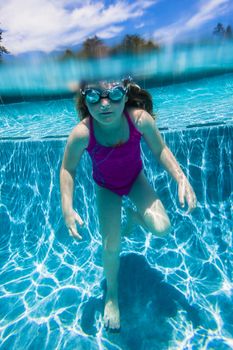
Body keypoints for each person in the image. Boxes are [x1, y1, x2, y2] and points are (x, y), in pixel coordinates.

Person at [60, 77, 197, 331]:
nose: (104, 104)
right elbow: (68, 169)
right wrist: (67, 208)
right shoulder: (82, 133)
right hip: (106, 188)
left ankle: (135, 217)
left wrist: (180, 177)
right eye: (93, 96)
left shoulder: (139, 120)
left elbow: (161, 150)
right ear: (84, 99)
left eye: (113, 95)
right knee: (111, 246)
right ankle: (111, 295)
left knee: (162, 227)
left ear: (125, 95)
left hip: (135, 180)